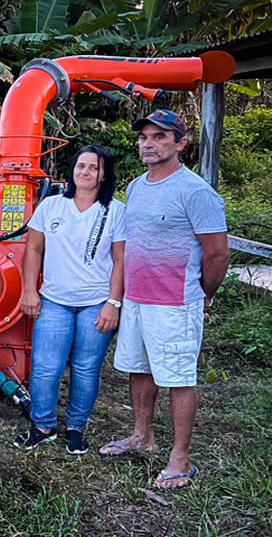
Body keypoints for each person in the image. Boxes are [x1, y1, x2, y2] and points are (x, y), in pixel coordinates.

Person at [99, 110, 228, 491]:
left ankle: (180, 459)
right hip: (137, 299)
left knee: (178, 378)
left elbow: (217, 253)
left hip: (174, 302)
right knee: (140, 369)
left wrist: (202, 294)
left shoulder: (195, 192)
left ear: (180, 143)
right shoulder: (137, 187)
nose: (149, 144)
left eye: (159, 137)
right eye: (144, 137)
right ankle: (143, 436)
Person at [16, 145, 125, 453]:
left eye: (93, 167)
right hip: (54, 299)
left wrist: (113, 303)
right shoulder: (51, 206)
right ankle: (43, 425)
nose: (85, 172)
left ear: (104, 174)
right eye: (81, 165)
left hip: (96, 301)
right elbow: (33, 250)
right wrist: (29, 291)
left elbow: (120, 261)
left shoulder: (115, 211)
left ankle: (76, 427)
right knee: (45, 366)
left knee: (86, 367)